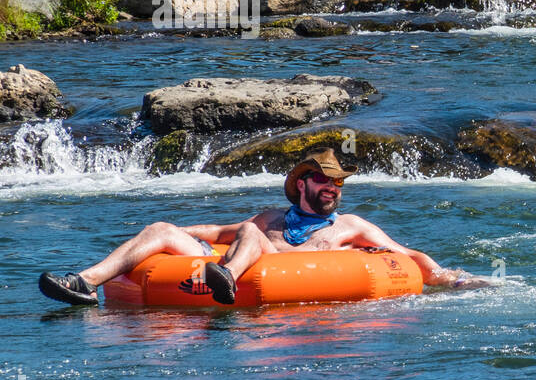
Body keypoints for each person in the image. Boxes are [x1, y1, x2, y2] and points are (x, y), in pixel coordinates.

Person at [37, 149, 489, 307]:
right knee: (164, 227)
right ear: (301, 184)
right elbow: (213, 231)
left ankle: (226, 279)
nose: (332, 187)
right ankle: (85, 282)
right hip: (237, 262)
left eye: (337, 182)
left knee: (247, 235)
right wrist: (161, 236)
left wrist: (453, 278)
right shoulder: (269, 219)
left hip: (287, 274)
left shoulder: (350, 225)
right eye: (323, 180)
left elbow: (406, 256)